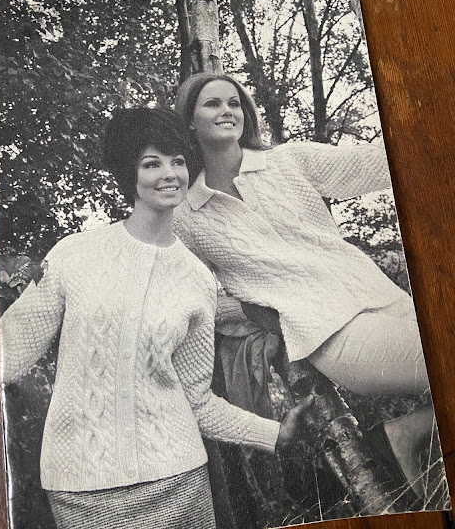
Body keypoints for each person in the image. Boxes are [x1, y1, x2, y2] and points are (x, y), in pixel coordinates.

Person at [0, 107, 312, 529]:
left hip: (180, 484)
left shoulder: (197, 278)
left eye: (177, 161)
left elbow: (196, 400)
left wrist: (274, 434)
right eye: (152, 163)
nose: (169, 174)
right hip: (81, 489)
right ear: (130, 174)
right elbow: (4, 354)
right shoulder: (74, 255)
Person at [173, 72, 434, 501]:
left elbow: (372, 163)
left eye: (235, 103)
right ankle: (404, 435)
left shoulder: (286, 161)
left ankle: (407, 434)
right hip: (330, 332)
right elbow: (193, 297)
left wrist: (428, 113)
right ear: (189, 121)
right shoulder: (186, 214)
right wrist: (260, 317)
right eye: (212, 104)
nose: (227, 111)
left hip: (383, 298)